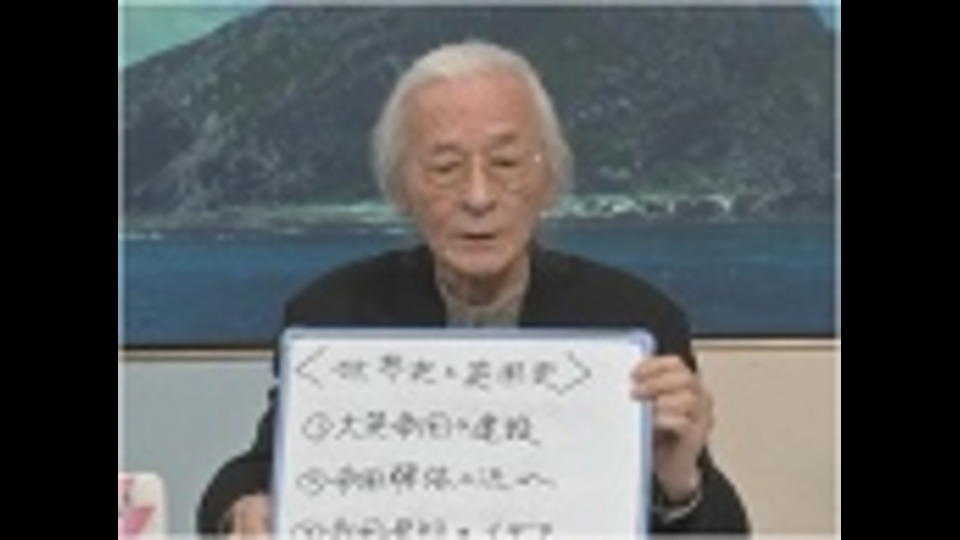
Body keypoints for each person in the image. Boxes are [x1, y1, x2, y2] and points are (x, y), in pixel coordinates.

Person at [197, 39, 750, 537]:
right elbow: (250, 477)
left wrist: (681, 483)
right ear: (401, 188)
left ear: (548, 179)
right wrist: (242, 511)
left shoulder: (635, 320)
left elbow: (727, 529)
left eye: (506, 162)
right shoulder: (334, 314)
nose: (479, 196)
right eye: (444, 168)